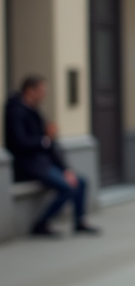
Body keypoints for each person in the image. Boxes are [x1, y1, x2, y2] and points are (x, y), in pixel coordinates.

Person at [4, 75, 98, 237]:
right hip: (28, 164)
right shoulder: (15, 111)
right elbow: (20, 142)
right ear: (30, 90)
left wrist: (66, 169)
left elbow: (51, 145)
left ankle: (80, 221)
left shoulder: (35, 110)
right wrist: (44, 139)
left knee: (80, 181)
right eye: (41, 91)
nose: (44, 95)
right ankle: (41, 224)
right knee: (67, 187)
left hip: (43, 162)